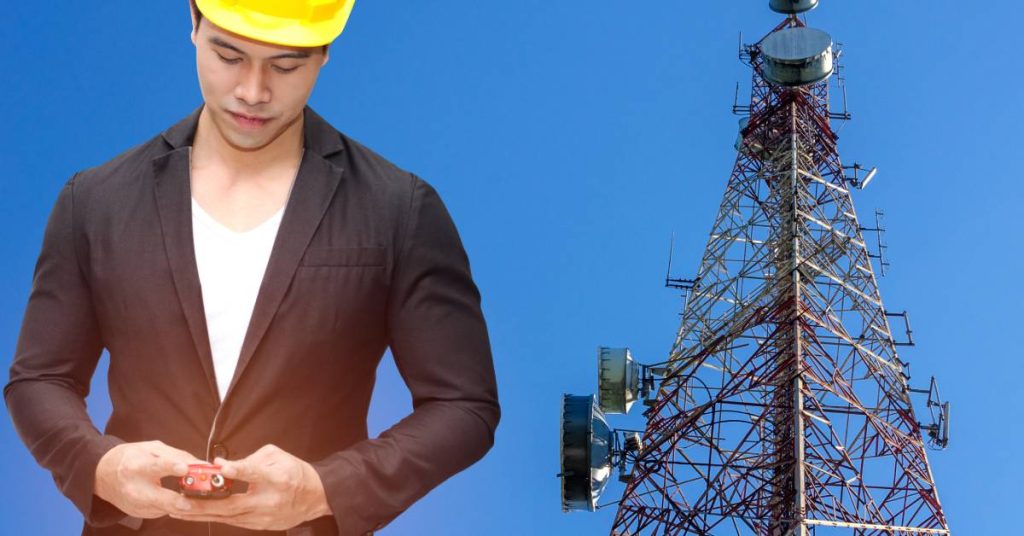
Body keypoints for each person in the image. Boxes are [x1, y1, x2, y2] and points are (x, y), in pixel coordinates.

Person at [3, 1, 500, 535]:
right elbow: (40, 378)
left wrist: (326, 488)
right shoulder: (96, 201)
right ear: (193, 24)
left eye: (286, 66)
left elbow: (463, 405)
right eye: (229, 55)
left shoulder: (399, 208)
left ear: (325, 52)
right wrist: (101, 468)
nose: (254, 91)